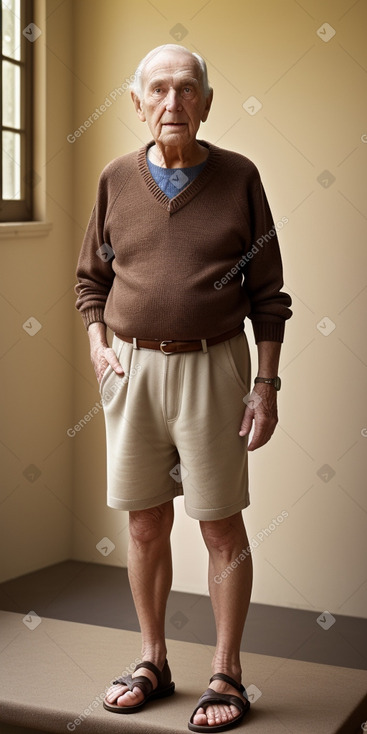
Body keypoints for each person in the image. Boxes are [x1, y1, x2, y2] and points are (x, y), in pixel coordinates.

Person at [75, 43, 292, 733]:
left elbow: (269, 294)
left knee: (220, 525)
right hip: (132, 371)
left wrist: (265, 384)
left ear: (204, 102)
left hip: (214, 367)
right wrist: (97, 344)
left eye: (186, 89)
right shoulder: (114, 178)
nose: (173, 102)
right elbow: (90, 281)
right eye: (158, 90)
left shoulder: (239, 178)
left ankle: (225, 671)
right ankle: (153, 661)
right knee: (143, 523)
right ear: (136, 103)